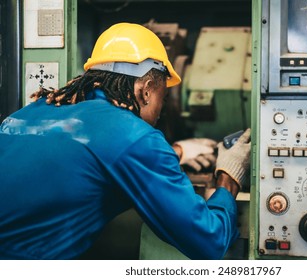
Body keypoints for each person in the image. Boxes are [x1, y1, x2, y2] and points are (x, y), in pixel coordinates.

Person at [0, 22, 251, 260]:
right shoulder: (134, 135)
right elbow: (209, 242)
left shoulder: (25, 115)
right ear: (147, 89)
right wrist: (229, 175)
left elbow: (81, 159)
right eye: (162, 100)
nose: (160, 113)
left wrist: (178, 152)